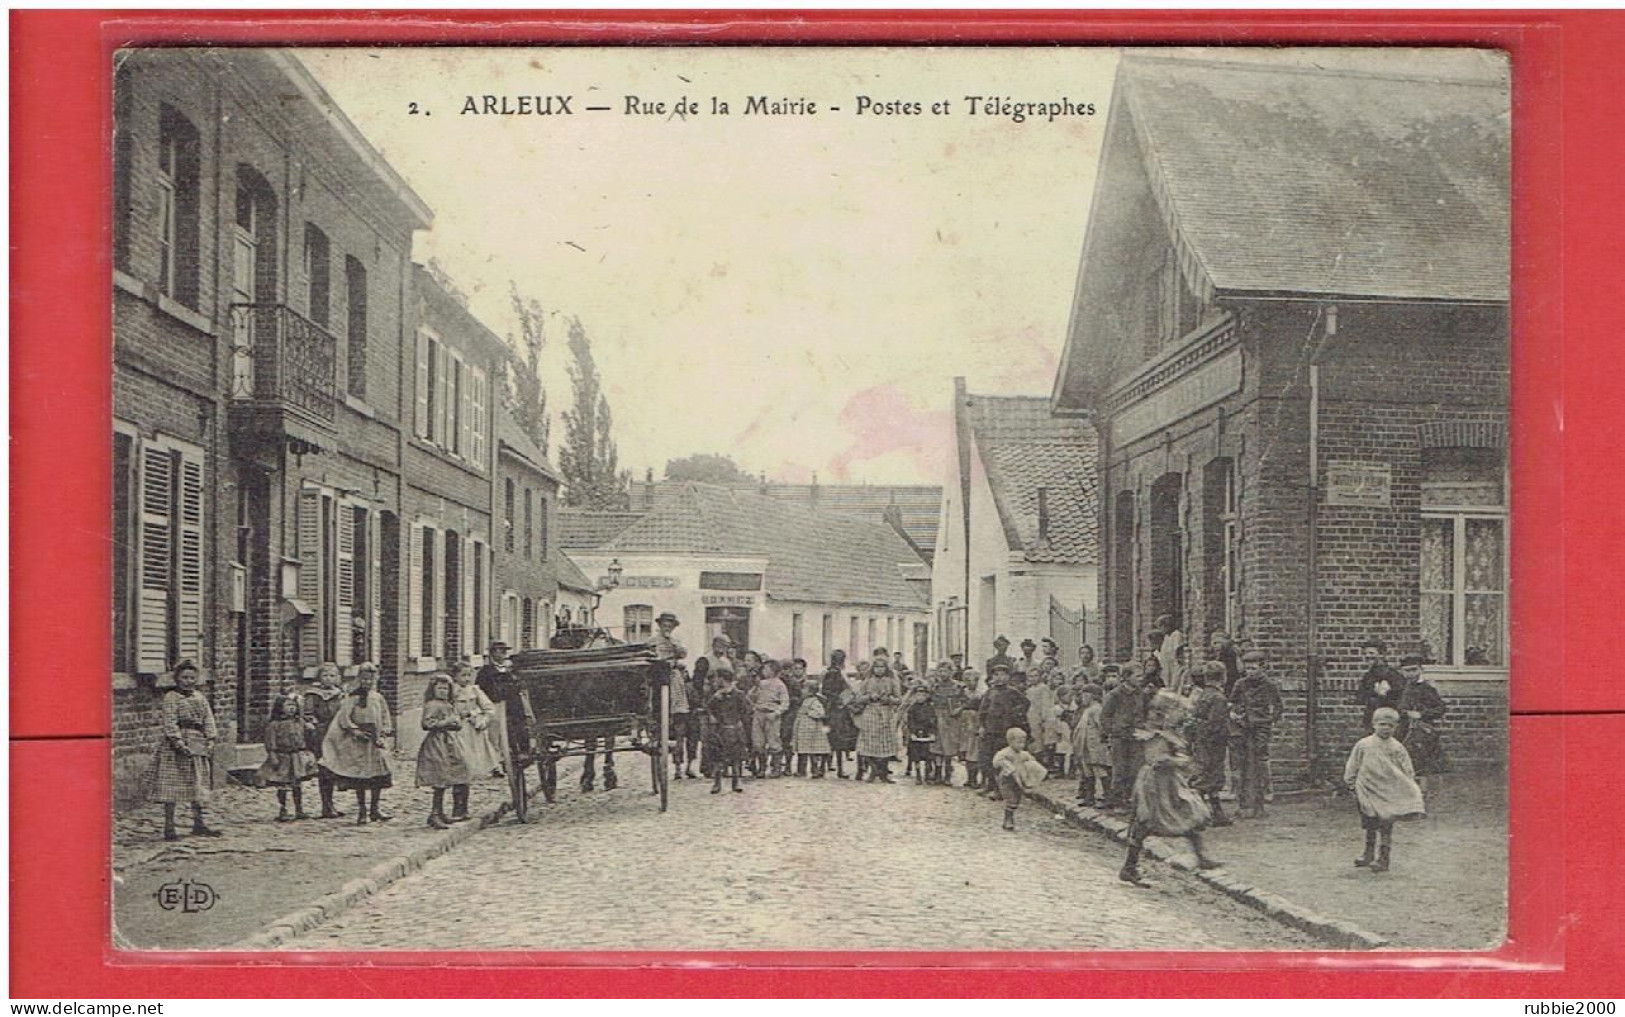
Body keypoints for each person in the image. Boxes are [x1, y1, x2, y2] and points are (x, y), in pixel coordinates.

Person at [1119, 691, 1221, 887]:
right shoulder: (1155, 736)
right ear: (1167, 712)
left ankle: (1201, 857)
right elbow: (1158, 760)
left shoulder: (1168, 733)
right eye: (1177, 711)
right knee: (1146, 822)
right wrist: (1180, 762)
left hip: (1169, 782)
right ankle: (1129, 867)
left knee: (1188, 812)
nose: (1180, 715)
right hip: (1155, 783)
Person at [147, 660, 223, 841]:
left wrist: (211, 739)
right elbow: (170, 721)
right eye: (184, 677)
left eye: (192, 678)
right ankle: (169, 827)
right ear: (177, 679)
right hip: (176, 747)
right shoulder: (171, 697)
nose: (188, 681)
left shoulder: (200, 697)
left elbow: (208, 719)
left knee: (197, 783)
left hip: (197, 742)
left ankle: (199, 823)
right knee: (171, 785)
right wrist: (178, 743)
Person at [1344, 706, 1426, 873]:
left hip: (1387, 791)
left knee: (1386, 823)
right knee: (1369, 822)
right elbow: (1353, 763)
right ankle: (1368, 853)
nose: (1386, 728)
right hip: (1367, 789)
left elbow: (1406, 769)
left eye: (1391, 725)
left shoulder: (1396, 747)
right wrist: (1351, 782)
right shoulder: (1364, 744)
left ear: (1396, 727)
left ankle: (1384, 857)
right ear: (1374, 724)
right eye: (1382, 724)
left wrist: (1407, 786)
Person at [321, 664, 394, 825]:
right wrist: (355, 731)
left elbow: (385, 716)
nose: (368, 682)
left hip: (375, 742)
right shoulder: (353, 698)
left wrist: (384, 733)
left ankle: (375, 809)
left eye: (371, 679)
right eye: (364, 679)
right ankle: (362, 810)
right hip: (359, 742)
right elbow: (344, 718)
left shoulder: (377, 697)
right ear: (359, 679)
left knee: (378, 776)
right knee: (361, 777)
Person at [1229, 649, 1283, 819]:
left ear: (1262, 668)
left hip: (1261, 729)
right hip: (1243, 728)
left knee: (1260, 765)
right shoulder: (1240, 684)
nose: (1250, 672)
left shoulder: (1269, 685)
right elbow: (1232, 703)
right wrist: (1235, 715)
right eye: (1247, 668)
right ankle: (1243, 804)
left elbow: (1278, 706)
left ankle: (1261, 802)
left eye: (1253, 668)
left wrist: (1270, 721)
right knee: (1242, 767)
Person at [417, 674, 470, 830]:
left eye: (446, 688)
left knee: (453, 774)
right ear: (433, 690)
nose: (443, 691)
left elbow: (457, 722)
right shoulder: (432, 704)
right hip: (437, 743)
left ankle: (440, 812)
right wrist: (446, 722)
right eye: (439, 688)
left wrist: (456, 723)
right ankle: (434, 814)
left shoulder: (448, 704)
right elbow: (426, 724)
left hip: (450, 742)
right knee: (440, 778)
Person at [299, 661, 348, 819]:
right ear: (319, 677)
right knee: (324, 770)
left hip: (337, 733)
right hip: (321, 734)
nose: (328, 678)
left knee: (334, 769)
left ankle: (331, 803)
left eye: (332, 675)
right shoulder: (313, 695)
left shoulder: (340, 694)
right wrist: (312, 723)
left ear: (338, 678)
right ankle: (326, 805)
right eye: (325, 675)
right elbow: (307, 714)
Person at [449, 662, 498, 819]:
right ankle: (457, 808)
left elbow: (489, 709)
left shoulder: (475, 690)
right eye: (463, 675)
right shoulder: (450, 692)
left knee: (468, 768)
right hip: (456, 731)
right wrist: (455, 718)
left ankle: (463, 808)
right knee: (459, 767)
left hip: (472, 732)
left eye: (469, 675)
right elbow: (444, 710)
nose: (466, 678)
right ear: (455, 676)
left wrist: (480, 719)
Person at [1186, 661, 1233, 826]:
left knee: (1209, 776)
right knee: (1208, 777)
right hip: (1213, 743)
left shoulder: (1203, 694)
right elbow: (1216, 724)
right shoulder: (1218, 697)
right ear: (1223, 677)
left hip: (1201, 740)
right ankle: (1193, 816)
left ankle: (1217, 814)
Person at [648, 612, 693, 779]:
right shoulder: (652, 641)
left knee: (680, 723)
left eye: (670, 625)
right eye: (665, 624)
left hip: (672, 678)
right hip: (656, 677)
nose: (667, 627)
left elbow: (683, 653)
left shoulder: (676, 641)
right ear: (659, 625)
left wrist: (672, 643)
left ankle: (679, 766)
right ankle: (653, 716)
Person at [258, 691, 316, 821]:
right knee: (282, 784)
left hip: (296, 757)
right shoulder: (274, 725)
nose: (291, 708)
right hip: (282, 757)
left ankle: (299, 809)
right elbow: (270, 742)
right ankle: (282, 808)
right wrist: (273, 755)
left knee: (297, 784)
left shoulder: (299, 722)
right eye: (288, 705)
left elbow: (307, 734)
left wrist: (310, 728)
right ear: (280, 707)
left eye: (293, 706)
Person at [1397, 655, 1449, 798]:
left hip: (1422, 729)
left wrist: (1422, 714)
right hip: (1404, 728)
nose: (1410, 674)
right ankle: (1410, 790)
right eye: (1407, 671)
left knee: (1423, 760)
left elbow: (1440, 708)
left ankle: (1425, 791)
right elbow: (1399, 706)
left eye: (1414, 670)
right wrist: (1404, 712)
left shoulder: (1427, 689)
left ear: (1420, 670)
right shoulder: (1403, 687)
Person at [976, 663, 1029, 799]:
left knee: (1003, 761)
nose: (999, 678)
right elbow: (982, 711)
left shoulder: (1013, 692)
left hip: (1005, 732)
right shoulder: (990, 692)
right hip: (990, 731)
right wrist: (982, 726)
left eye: (1003, 675)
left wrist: (1014, 715)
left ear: (1008, 677)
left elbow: (1025, 704)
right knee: (987, 759)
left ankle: (1001, 790)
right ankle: (991, 785)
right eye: (996, 675)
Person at [1101, 663, 1147, 810]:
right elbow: (1105, 717)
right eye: (1137, 676)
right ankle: (1117, 801)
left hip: (1136, 737)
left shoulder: (1141, 694)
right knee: (1120, 769)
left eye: (1142, 675)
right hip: (1120, 738)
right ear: (1127, 677)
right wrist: (1114, 731)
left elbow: (1145, 712)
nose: (1141, 678)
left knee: (1135, 769)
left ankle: (1130, 798)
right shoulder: (1115, 695)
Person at [854, 649, 903, 783]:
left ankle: (883, 772)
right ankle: (873, 770)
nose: (879, 670)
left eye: (882, 667)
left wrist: (889, 700)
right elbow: (858, 698)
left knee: (885, 744)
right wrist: (869, 697)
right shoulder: (867, 681)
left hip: (886, 714)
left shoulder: (892, 681)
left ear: (886, 668)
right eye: (876, 667)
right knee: (869, 743)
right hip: (870, 713)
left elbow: (899, 699)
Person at [691, 635, 735, 778]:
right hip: (708, 701)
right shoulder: (705, 660)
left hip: (725, 703)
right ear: (714, 644)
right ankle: (707, 767)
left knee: (723, 734)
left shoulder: (727, 661)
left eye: (726, 646)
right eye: (721, 645)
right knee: (708, 735)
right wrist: (701, 701)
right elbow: (697, 682)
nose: (723, 648)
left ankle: (722, 766)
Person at [992, 727, 1048, 831]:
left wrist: (1032, 767)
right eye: (1019, 743)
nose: (1021, 745)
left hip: (1020, 780)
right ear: (1010, 741)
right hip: (1007, 780)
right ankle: (1008, 819)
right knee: (1010, 798)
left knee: (1017, 799)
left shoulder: (1023, 754)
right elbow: (996, 762)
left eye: (1023, 743)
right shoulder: (1005, 753)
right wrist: (1005, 765)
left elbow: (1032, 761)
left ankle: (1010, 815)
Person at [705, 668, 749, 794]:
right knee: (718, 757)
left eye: (718, 678)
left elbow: (746, 709)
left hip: (734, 729)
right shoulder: (716, 695)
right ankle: (717, 783)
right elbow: (709, 708)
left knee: (736, 757)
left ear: (722, 679)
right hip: (720, 730)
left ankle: (736, 781)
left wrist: (739, 721)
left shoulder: (738, 694)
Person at [928, 664, 969, 786]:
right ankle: (938, 773)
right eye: (940, 671)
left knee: (949, 747)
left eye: (945, 671)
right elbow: (929, 700)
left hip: (951, 719)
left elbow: (966, 701)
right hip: (937, 717)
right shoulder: (935, 687)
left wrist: (959, 709)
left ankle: (947, 774)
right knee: (937, 746)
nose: (942, 674)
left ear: (951, 672)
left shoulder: (958, 687)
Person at [819, 651, 858, 779]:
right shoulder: (833, 673)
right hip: (835, 710)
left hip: (834, 709)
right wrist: (839, 699)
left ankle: (825, 768)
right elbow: (826, 691)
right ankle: (835, 769)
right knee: (837, 739)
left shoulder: (833, 672)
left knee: (832, 739)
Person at [1355, 639, 1407, 732]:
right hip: (1372, 718)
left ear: (1382, 654)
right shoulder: (1368, 676)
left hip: (1388, 720)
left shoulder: (1393, 675)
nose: (1368, 656)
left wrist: (1386, 694)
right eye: (1365, 653)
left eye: (1371, 653)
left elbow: (1401, 698)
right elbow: (1361, 697)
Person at [1073, 684, 1109, 806]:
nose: (1082, 698)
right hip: (1086, 746)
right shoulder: (1087, 710)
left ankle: (1107, 796)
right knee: (1088, 771)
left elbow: (1102, 727)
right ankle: (1089, 797)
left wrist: (1103, 741)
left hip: (1096, 746)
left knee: (1099, 770)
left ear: (1091, 696)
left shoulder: (1097, 709)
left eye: (1084, 695)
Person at [792, 675, 830, 778]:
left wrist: (809, 713)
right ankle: (801, 770)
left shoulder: (815, 701)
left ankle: (815, 770)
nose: (802, 691)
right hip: (803, 730)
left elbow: (820, 713)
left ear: (810, 691)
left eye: (804, 689)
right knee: (802, 751)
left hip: (812, 730)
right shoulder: (804, 701)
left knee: (813, 751)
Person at [904, 677, 938, 784]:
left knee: (928, 756)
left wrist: (932, 733)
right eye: (918, 695)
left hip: (926, 734)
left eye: (923, 695)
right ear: (914, 696)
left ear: (927, 696)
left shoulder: (930, 708)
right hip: (916, 734)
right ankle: (918, 775)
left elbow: (933, 721)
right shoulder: (912, 708)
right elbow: (910, 722)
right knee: (916, 757)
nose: (921, 697)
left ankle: (927, 775)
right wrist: (913, 732)